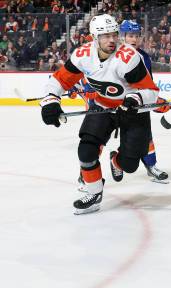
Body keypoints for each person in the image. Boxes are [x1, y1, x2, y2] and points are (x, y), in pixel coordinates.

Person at [40, 14, 159, 214]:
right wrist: (51, 100)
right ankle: (94, 193)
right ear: (95, 37)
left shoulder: (128, 58)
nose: (111, 40)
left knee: (129, 165)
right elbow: (59, 80)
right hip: (102, 106)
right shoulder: (82, 55)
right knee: (86, 150)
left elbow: (151, 91)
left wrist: (136, 98)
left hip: (132, 110)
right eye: (105, 36)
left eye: (114, 34)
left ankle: (116, 160)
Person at [74, 20, 169, 190]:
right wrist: (85, 88)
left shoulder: (142, 57)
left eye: (137, 36)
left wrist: (156, 102)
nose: (134, 40)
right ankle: (86, 174)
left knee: (145, 137)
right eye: (130, 36)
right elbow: (85, 73)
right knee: (96, 139)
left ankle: (149, 165)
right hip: (105, 103)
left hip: (131, 105)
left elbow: (146, 87)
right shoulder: (104, 53)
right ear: (121, 37)